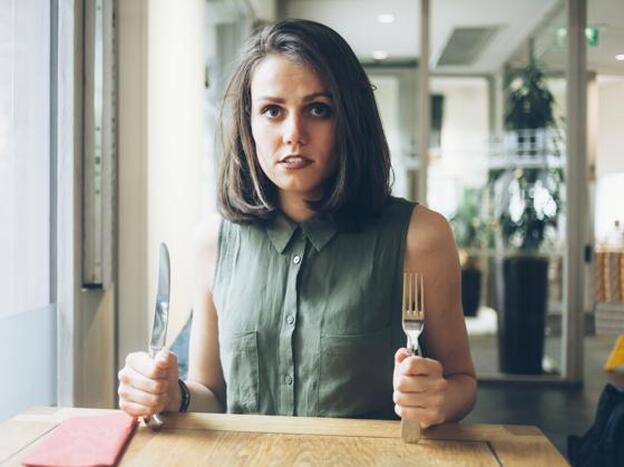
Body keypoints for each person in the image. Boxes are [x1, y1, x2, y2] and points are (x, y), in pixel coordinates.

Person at [117, 19, 476, 428]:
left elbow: (462, 381)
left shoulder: (420, 236)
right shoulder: (212, 241)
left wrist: (438, 398)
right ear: (248, 125)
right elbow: (213, 395)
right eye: (272, 111)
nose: (294, 134)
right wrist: (171, 393)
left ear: (350, 121)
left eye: (318, 110)